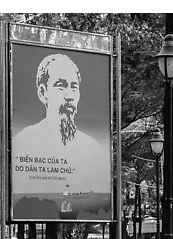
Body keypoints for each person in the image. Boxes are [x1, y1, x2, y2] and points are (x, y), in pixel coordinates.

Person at [11, 53, 110, 219]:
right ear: (43, 93)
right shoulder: (22, 142)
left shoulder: (94, 150)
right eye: (61, 86)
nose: (69, 95)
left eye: (74, 87)